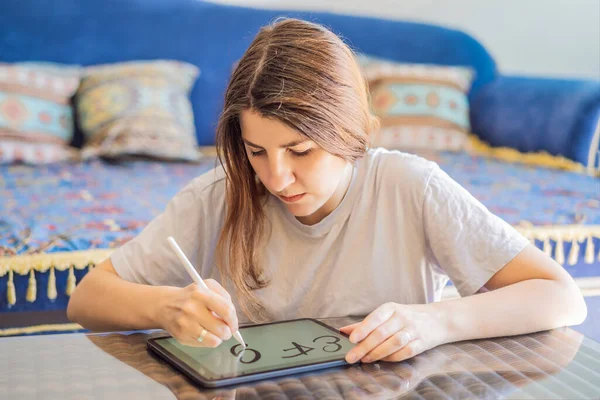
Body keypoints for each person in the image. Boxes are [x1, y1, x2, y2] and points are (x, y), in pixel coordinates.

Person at [67, 18, 587, 365]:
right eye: (255, 151)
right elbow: (87, 300)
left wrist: (436, 322)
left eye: (300, 151)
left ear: (348, 133)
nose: (275, 178)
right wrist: (165, 307)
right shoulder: (220, 195)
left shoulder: (410, 185)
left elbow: (561, 296)